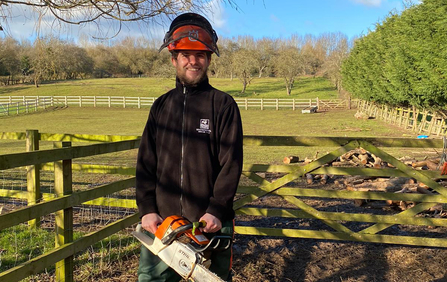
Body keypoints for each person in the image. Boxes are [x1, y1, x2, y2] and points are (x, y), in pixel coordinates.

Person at [135, 12, 243, 282]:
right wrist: (147, 208)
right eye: (186, 54)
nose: (193, 61)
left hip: (210, 223)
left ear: (208, 60)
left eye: (200, 55)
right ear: (174, 59)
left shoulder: (223, 105)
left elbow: (231, 163)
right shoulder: (161, 106)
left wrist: (217, 210)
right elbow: (146, 162)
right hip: (164, 223)